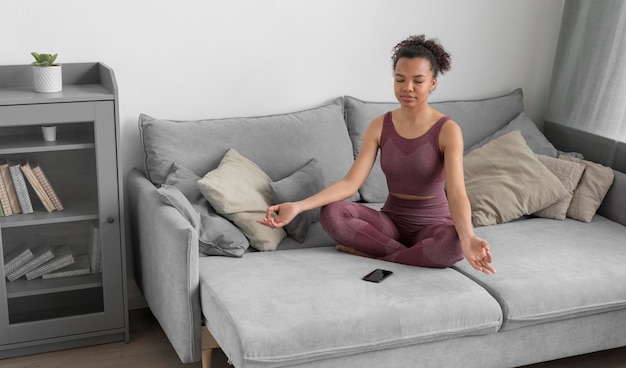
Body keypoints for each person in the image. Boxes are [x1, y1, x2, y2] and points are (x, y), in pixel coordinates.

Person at [258, 35, 495, 275]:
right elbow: (350, 184)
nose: (407, 88)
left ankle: (375, 253)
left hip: (433, 226)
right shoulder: (379, 126)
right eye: (400, 79)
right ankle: (409, 255)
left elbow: (456, 193)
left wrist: (468, 237)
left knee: (453, 245)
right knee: (332, 213)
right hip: (390, 224)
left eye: (418, 81)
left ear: (432, 83)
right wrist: (298, 207)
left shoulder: (447, 130)